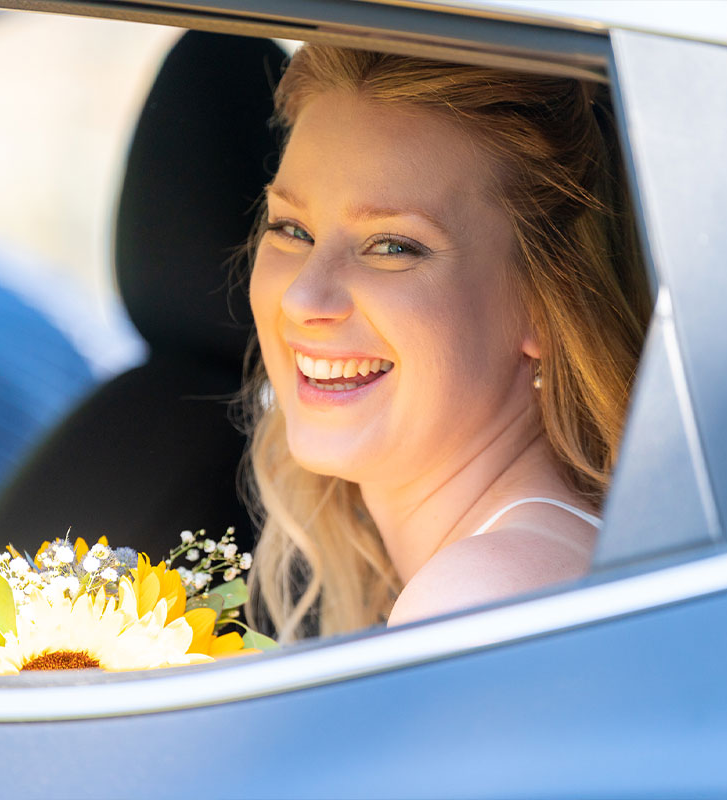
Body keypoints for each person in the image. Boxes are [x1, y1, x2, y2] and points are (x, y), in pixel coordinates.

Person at [243, 46, 651, 643]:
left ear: (542, 302)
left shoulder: (480, 598)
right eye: (291, 229)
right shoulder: (517, 564)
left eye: (392, 246)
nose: (305, 299)